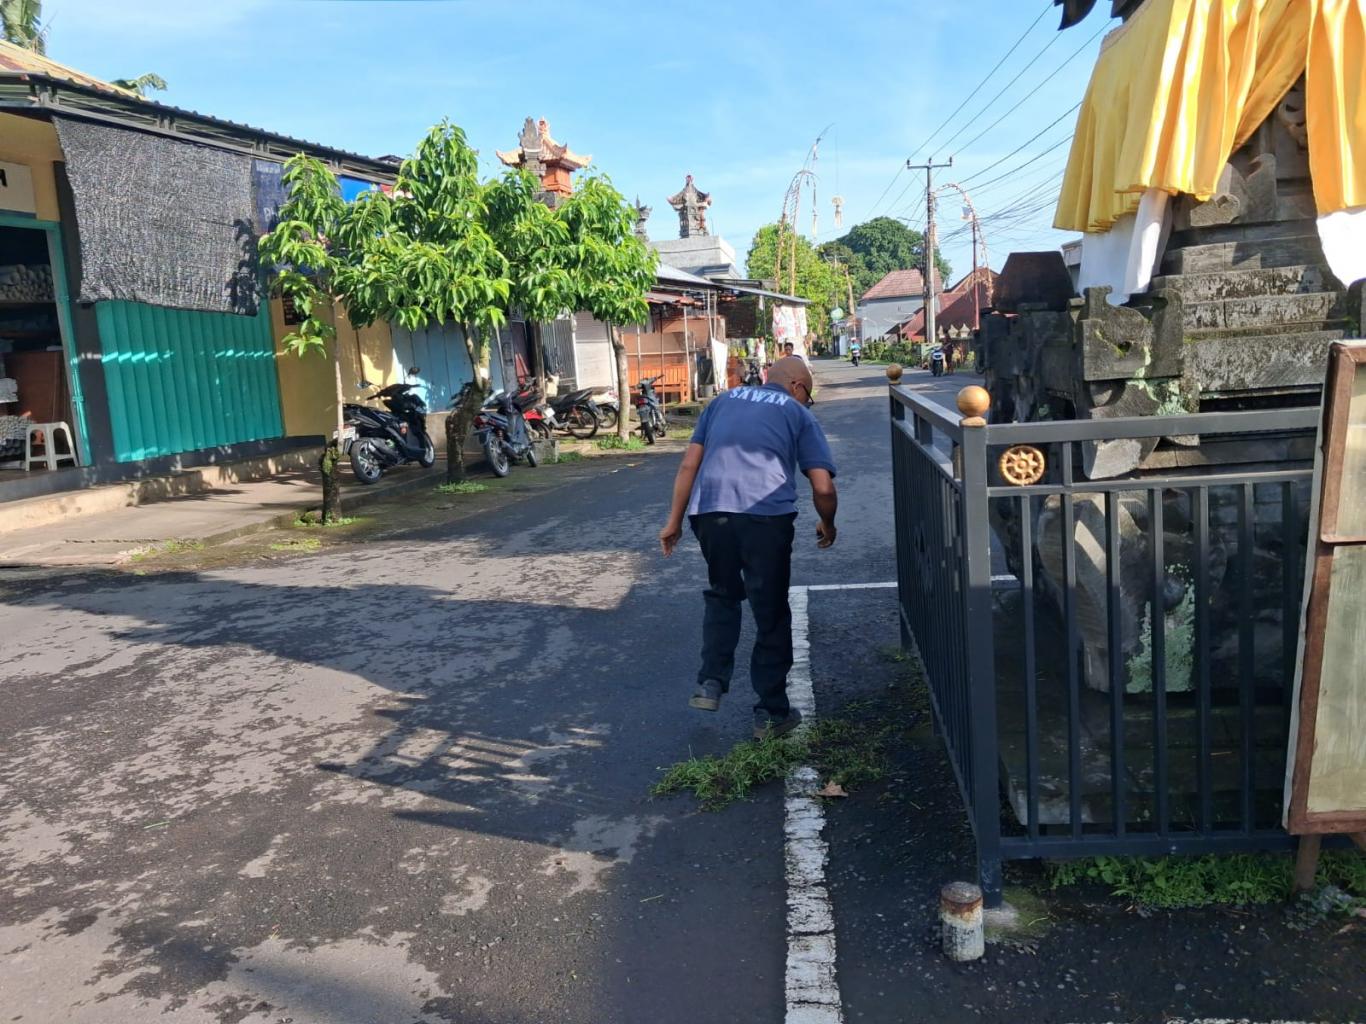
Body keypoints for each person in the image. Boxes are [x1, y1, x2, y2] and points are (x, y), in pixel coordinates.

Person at [659, 356, 838, 740]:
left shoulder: (723, 400)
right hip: (766, 517)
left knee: (723, 594)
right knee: (770, 611)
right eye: (808, 396)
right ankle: (771, 715)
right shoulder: (797, 413)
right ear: (796, 386)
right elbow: (822, 486)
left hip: (710, 512)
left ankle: (710, 682)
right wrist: (828, 522)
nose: (808, 403)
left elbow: (689, 465)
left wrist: (674, 521)